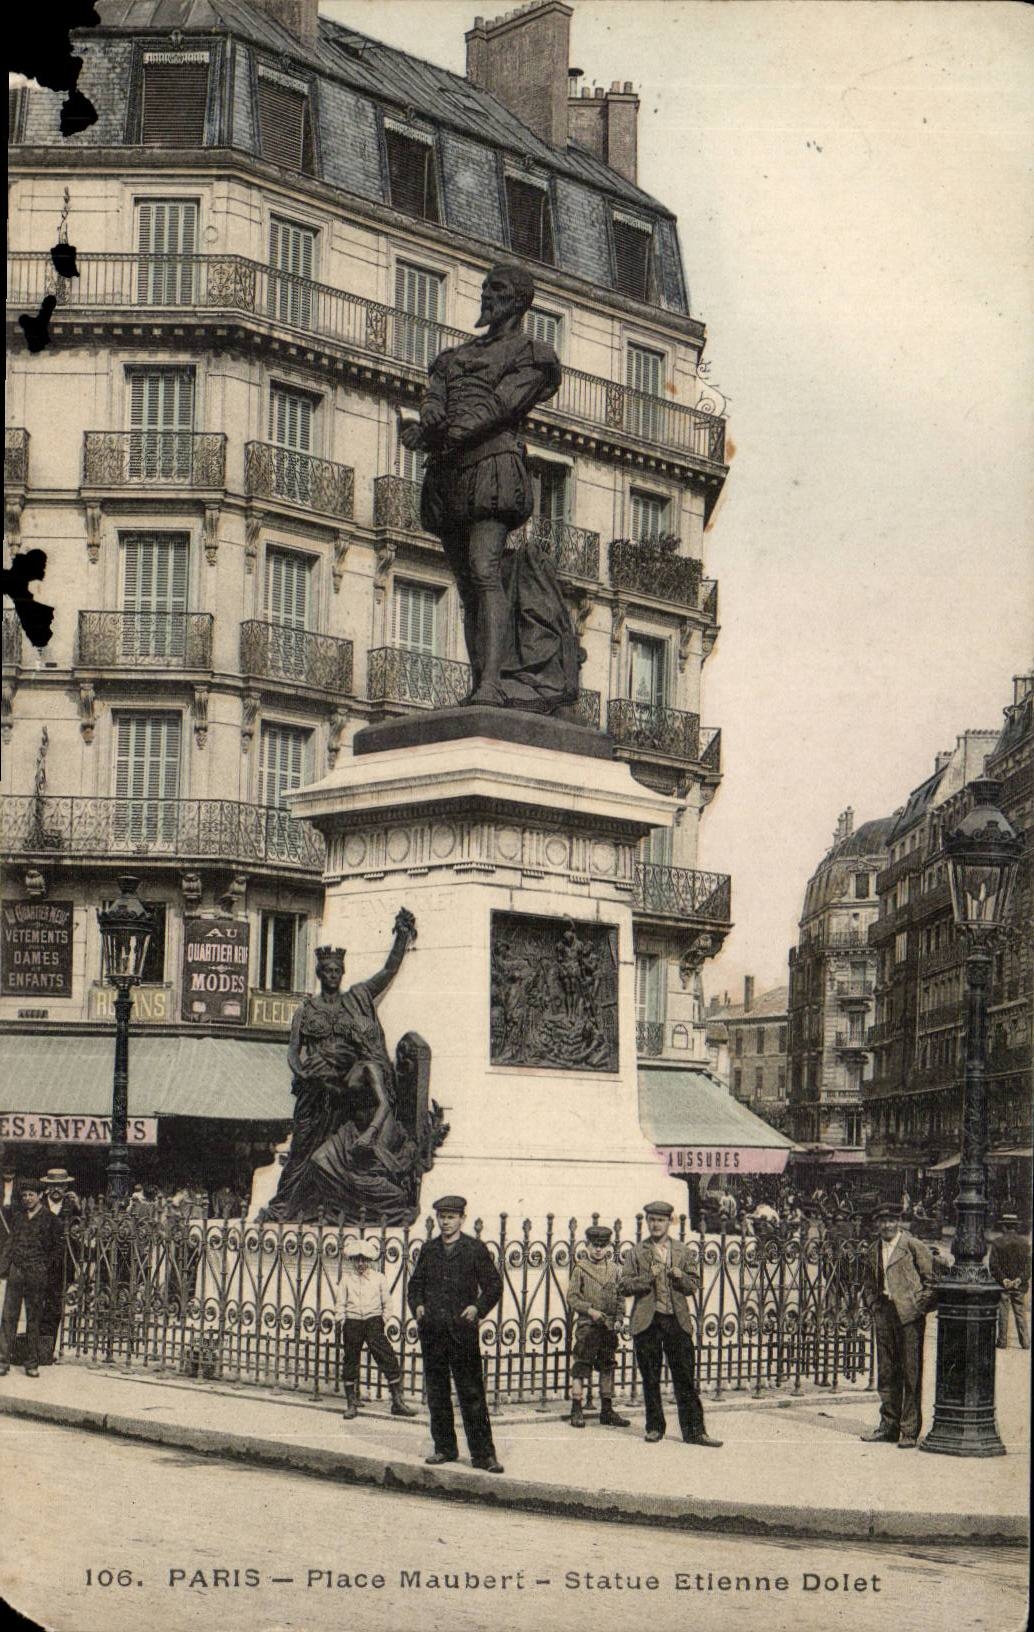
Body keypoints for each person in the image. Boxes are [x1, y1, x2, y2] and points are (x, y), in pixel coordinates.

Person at [401, 262, 580, 712]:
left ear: (520, 299)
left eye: (496, 288)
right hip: (449, 474)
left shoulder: (532, 354)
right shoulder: (453, 357)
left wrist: (438, 435)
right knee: (466, 587)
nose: (486, 295)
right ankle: (481, 679)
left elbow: (501, 407)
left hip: (492, 468)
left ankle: (492, 684)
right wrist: (430, 418)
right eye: (483, 287)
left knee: (484, 572)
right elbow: (435, 395)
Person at [265, 912, 417, 1222]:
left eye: (337, 970)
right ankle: (286, 1204)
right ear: (320, 974)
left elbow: (387, 971)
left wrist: (401, 937)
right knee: (302, 1148)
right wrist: (303, 1072)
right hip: (314, 1093)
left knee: (335, 1157)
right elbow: (293, 1052)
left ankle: (331, 1205)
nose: (333, 974)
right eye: (328, 970)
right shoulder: (307, 1009)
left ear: (342, 972)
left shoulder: (357, 997)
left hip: (344, 1092)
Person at [406, 1196, 504, 1473]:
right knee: (437, 1392)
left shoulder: (474, 1249)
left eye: (451, 1217)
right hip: (433, 1331)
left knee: (471, 1393)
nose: (446, 1222)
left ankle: (484, 1456)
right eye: (442, 1217)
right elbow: (414, 1287)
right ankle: (445, 1448)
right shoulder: (429, 1249)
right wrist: (419, 1306)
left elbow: (494, 1285)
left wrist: (478, 1307)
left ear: (462, 1218)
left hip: (462, 1332)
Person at [619, 1200, 722, 1448]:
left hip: (677, 1321)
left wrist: (680, 1276)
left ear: (669, 1222)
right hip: (648, 1322)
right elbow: (625, 1286)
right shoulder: (636, 1252)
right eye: (652, 1220)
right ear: (647, 1222)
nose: (656, 1224)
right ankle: (654, 1428)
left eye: (661, 1220)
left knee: (685, 1377)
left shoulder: (682, 1251)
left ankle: (695, 1432)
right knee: (650, 1377)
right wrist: (649, 1277)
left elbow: (693, 1285)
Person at [860, 1202, 937, 1448]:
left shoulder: (913, 1246)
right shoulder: (873, 1249)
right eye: (882, 1221)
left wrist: (917, 1306)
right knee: (886, 1372)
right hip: (885, 1315)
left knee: (910, 1373)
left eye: (891, 1220)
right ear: (877, 1224)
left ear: (899, 1221)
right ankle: (888, 1426)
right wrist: (873, 1305)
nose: (887, 1225)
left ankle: (909, 1430)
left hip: (909, 1318)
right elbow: (868, 1284)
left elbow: (931, 1282)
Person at [334, 1238, 417, 1421]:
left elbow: (387, 1304)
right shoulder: (346, 1280)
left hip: (373, 1322)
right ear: (352, 1260)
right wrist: (342, 1321)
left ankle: (397, 1401)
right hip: (353, 1322)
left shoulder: (379, 1278)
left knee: (386, 1357)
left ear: (370, 1260)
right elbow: (340, 1304)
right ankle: (351, 1403)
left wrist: (381, 1321)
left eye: (364, 1259)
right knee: (350, 1360)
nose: (361, 1263)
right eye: (357, 1259)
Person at [566, 1224, 630, 1430]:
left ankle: (607, 1410)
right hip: (588, 1327)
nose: (598, 1250)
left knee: (607, 1366)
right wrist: (590, 1311)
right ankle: (576, 1407)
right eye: (594, 1245)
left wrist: (619, 1318)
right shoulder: (580, 1268)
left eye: (602, 1246)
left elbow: (620, 1297)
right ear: (587, 1245)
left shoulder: (614, 1270)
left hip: (609, 1327)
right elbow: (572, 1298)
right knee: (581, 1365)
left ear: (608, 1247)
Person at [0, 1179, 65, 1378]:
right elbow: (9, 1244)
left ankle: (31, 1363)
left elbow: (57, 1249)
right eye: (25, 1195)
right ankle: (3, 1361)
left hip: (37, 1273)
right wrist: (5, 1267)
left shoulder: (51, 1220)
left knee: (34, 1318)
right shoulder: (18, 1218)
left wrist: (44, 1266)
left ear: (40, 1196)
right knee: (8, 1317)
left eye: (31, 1195)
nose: (28, 1198)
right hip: (16, 1272)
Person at [38, 1168, 79, 1366]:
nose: (56, 1190)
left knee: (54, 1309)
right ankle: (33, 1348)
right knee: (36, 1306)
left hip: (62, 1266)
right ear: (47, 1187)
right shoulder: (39, 1205)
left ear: (66, 1187)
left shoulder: (72, 1208)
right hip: (40, 1264)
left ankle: (47, 1350)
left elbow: (79, 1237)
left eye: (60, 1186)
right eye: (53, 1185)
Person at [989, 1211, 1030, 1351]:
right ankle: (1025, 1342)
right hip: (1019, 1285)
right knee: (1020, 1313)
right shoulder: (1025, 1244)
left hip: (1002, 1285)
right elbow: (1028, 1267)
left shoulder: (997, 1243)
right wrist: (1019, 1279)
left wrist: (1004, 1279)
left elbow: (993, 1266)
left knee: (1003, 1313)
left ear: (1004, 1227)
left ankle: (1002, 1341)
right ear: (1016, 1227)